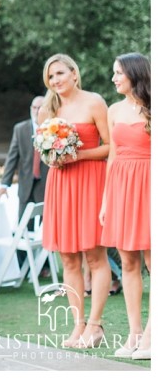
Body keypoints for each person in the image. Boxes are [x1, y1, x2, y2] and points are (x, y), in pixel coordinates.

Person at [38, 53, 110, 349]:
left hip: (91, 181)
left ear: (74, 74)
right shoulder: (47, 109)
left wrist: (77, 154)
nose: (55, 80)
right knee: (68, 257)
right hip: (62, 183)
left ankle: (96, 325)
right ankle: (78, 324)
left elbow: (110, 147)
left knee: (94, 256)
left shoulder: (95, 102)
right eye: (51, 76)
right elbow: (44, 153)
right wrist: (52, 157)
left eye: (60, 74)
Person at [99, 53, 151, 360]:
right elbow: (113, 156)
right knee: (128, 262)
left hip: (149, 185)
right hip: (121, 187)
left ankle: (151, 336)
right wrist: (107, 199)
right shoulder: (114, 110)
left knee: (152, 262)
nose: (114, 78)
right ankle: (134, 333)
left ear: (135, 74)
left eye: (119, 73)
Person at [0, 96, 50, 271]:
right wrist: (5, 185)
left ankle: (44, 267)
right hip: (26, 185)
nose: (36, 111)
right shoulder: (20, 129)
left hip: (46, 185)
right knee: (23, 226)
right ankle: (22, 266)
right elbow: (12, 157)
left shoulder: (53, 128)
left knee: (45, 228)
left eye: (40, 107)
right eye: (34, 107)